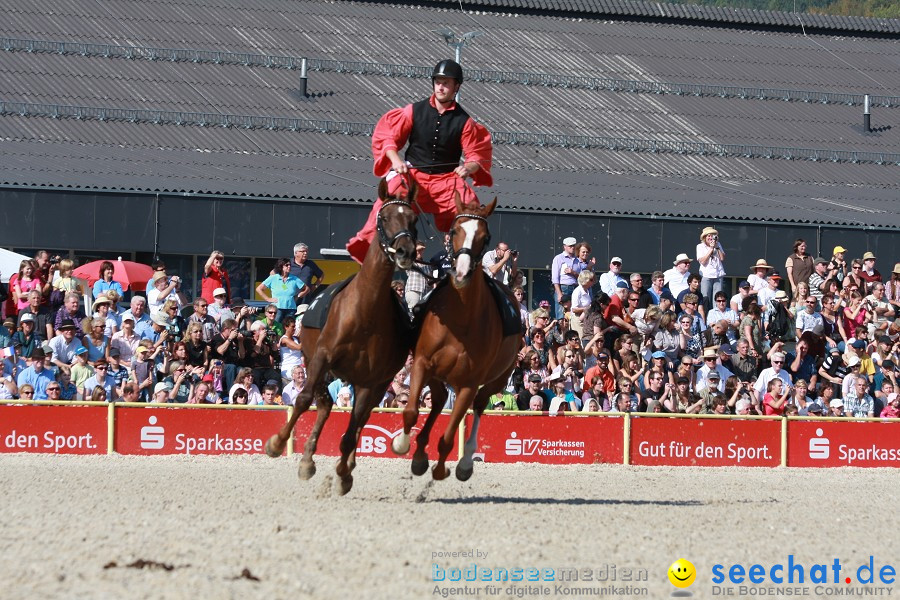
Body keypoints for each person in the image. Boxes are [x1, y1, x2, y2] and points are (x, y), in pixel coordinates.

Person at [346, 59, 492, 263]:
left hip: (447, 182)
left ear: (456, 86)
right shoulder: (412, 111)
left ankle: (469, 262)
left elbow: (477, 155)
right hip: (412, 178)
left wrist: (468, 167)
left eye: (446, 83)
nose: (441, 87)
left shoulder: (465, 122)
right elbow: (388, 137)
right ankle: (369, 252)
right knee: (385, 203)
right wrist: (395, 160)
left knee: (472, 207)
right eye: (438, 82)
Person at [256, 258, 305, 322]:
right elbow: (259, 289)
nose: (289, 266)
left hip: (291, 309)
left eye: (290, 265)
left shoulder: (294, 278)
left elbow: (306, 288)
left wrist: (298, 296)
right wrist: (267, 299)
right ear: (281, 266)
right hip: (277, 308)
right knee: (276, 326)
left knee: (289, 327)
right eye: (287, 265)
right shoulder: (273, 278)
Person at [696, 226, 725, 312]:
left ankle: (716, 315)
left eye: (712, 235)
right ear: (705, 237)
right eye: (708, 236)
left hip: (718, 273)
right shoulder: (700, 246)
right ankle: (705, 315)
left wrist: (717, 247)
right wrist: (711, 249)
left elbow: (722, 258)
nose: (710, 237)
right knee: (705, 297)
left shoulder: (718, 244)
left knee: (718, 297)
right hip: (706, 274)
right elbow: (703, 261)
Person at [552, 237, 580, 319]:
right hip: (563, 288)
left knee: (574, 314)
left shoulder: (577, 260)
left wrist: (573, 272)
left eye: (573, 246)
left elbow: (581, 277)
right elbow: (555, 278)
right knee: (561, 315)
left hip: (575, 287)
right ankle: (561, 331)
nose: (572, 248)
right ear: (564, 247)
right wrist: (559, 293)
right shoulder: (558, 258)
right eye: (570, 246)